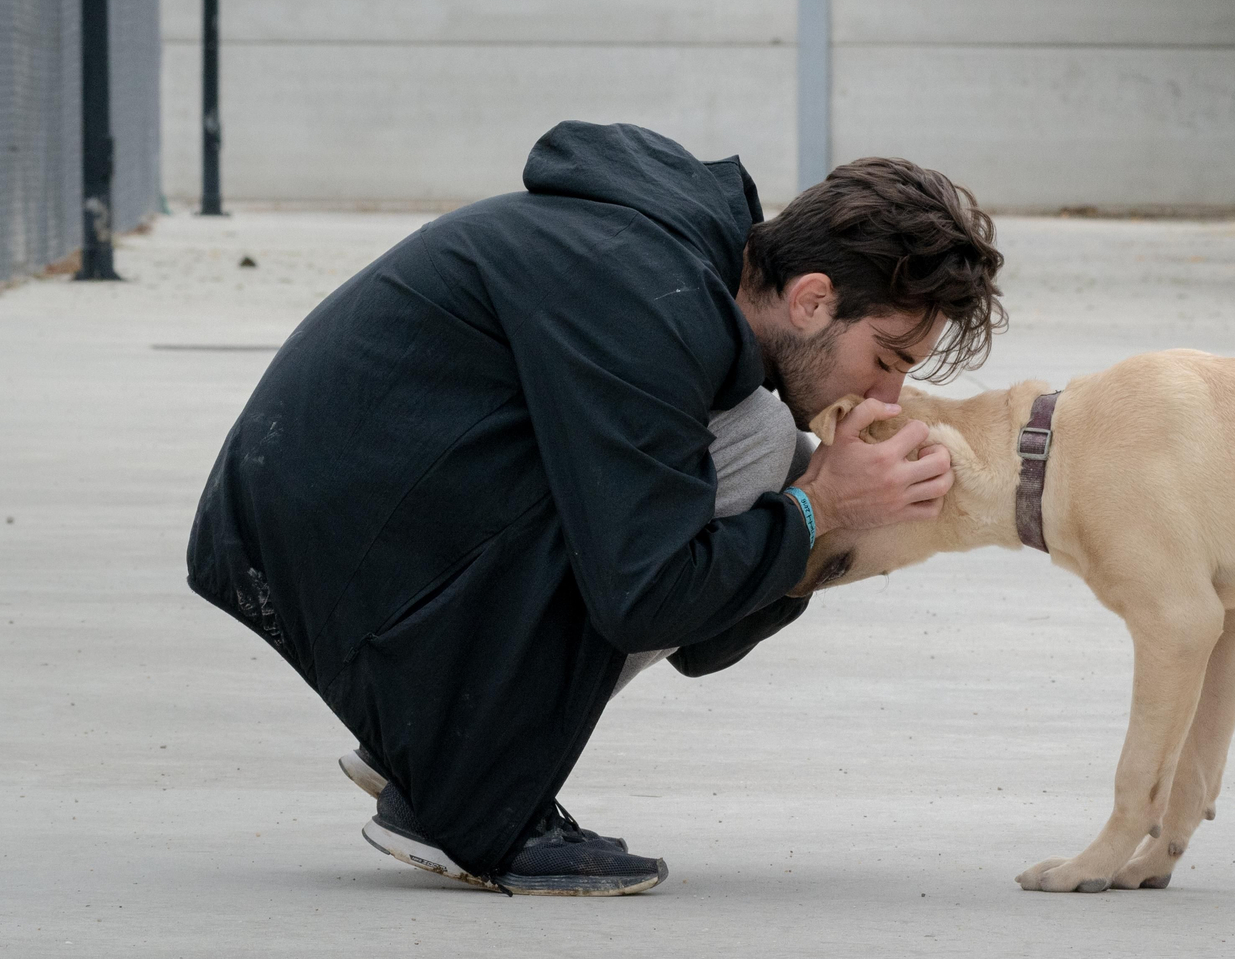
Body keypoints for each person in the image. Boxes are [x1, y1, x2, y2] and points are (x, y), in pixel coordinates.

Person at [186, 121, 1005, 896]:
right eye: (886, 358)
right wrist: (818, 510)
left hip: (367, 511)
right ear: (813, 300)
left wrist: (814, 520)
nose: (890, 391)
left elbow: (703, 637)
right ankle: (463, 797)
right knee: (761, 454)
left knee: (766, 452)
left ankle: (430, 740)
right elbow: (645, 597)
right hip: (325, 530)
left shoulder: (682, 277)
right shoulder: (649, 300)